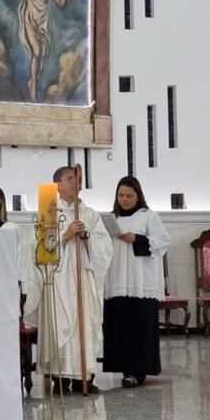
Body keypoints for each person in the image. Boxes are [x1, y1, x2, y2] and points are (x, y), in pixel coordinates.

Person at [41, 166, 113, 394]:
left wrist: (87, 236)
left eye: (77, 179)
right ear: (58, 185)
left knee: (85, 322)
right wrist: (66, 235)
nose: (75, 182)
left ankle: (85, 376)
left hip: (84, 276)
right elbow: (41, 250)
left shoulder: (89, 213)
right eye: (70, 178)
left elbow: (106, 246)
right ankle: (60, 378)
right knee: (61, 323)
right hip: (60, 280)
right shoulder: (48, 210)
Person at [102, 176, 170, 388]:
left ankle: (139, 371)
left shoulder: (149, 216)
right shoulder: (111, 218)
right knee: (120, 325)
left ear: (138, 196)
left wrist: (137, 239)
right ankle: (125, 369)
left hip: (141, 282)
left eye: (129, 196)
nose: (124, 199)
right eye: (121, 195)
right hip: (117, 278)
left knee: (140, 325)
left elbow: (163, 241)